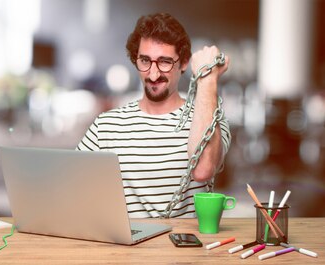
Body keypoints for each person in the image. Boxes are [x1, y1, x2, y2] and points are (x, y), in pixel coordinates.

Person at [76, 13, 231, 218]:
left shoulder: (211, 119)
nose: (153, 74)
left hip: (185, 248)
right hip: (124, 249)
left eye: (165, 62)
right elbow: (71, 189)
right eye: (145, 60)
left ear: (184, 62)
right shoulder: (105, 126)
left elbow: (202, 170)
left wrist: (208, 79)